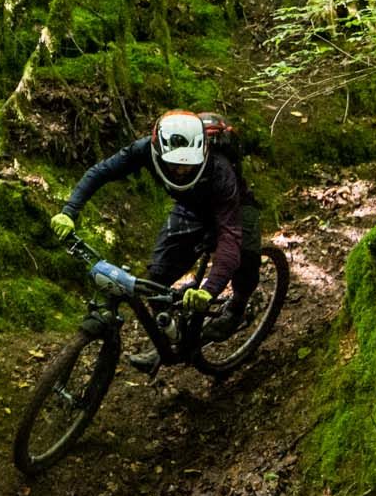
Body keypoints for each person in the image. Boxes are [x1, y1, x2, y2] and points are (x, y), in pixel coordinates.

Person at [50, 109, 262, 370]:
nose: (182, 170)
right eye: (175, 164)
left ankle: (237, 308)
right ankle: (168, 339)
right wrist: (69, 212)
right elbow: (101, 172)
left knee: (246, 255)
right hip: (190, 209)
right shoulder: (144, 150)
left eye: (189, 164)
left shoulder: (220, 170)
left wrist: (210, 289)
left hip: (234, 207)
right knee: (154, 281)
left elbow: (229, 235)